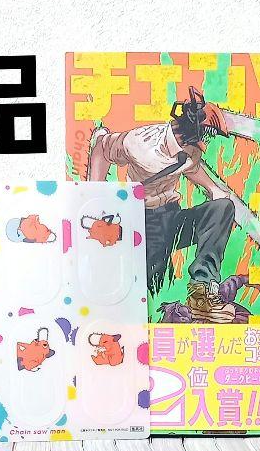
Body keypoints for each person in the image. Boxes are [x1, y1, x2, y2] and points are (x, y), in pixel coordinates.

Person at [87, 87, 242, 322]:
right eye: (205, 134)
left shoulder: (190, 150)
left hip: (173, 217)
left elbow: (190, 167)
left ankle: (201, 291)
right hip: (145, 222)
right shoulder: (140, 144)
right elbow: (102, 146)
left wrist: (213, 189)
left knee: (222, 208)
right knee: (152, 286)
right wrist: (93, 193)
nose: (206, 141)